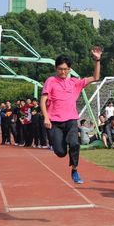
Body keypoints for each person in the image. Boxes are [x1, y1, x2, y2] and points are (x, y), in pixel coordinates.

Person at [41, 47, 101, 184]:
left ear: (69, 69)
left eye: (65, 69)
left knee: (75, 144)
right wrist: (45, 117)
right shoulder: (50, 81)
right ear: (56, 69)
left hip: (71, 120)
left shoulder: (75, 82)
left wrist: (97, 60)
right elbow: (43, 100)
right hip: (55, 122)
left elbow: (96, 77)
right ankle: (56, 143)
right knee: (61, 152)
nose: (62, 71)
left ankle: (74, 170)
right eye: (60, 69)